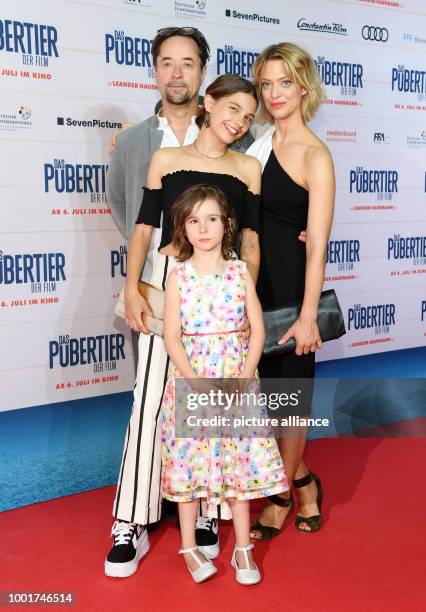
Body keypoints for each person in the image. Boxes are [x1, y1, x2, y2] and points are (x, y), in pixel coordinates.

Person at [105, 71, 262, 578]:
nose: (238, 121)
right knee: (152, 405)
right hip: (169, 285)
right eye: (232, 108)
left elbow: (252, 243)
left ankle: (212, 514)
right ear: (208, 102)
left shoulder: (247, 168)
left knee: (216, 411)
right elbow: (144, 228)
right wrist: (131, 287)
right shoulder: (167, 160)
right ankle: (131, 521)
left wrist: (241, 295)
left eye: (247, 115)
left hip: (225, 294)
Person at [161, 184, 288, 584]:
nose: (203, 228)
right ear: (183, 228)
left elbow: (259, 329)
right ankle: (188, 547)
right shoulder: (178, 276)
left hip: (236, 381)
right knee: (189, 467)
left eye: (211, 219)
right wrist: (195, 382)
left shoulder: (237, 272)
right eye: (194, 220)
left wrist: (245, 376)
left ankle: (243, 551)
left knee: (240, 466)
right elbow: (171, 337)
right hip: (192, 381)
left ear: (226, 224)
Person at [247, 42, 335, 539]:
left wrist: (307, 317)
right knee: (256, 406)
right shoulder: (253, 143)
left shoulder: (315, 155)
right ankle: (302, 482)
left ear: (304, 86)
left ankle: (280, 498)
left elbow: (318, 247)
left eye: (285, 82)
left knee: (290, 402)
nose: (275, 93)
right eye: (266, 83)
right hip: (249, 294)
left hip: (290, 295)